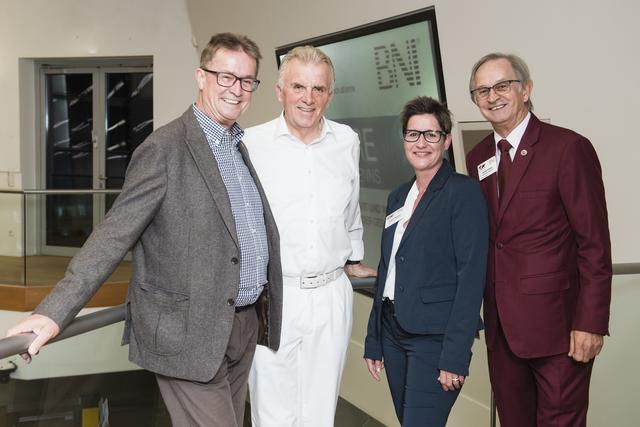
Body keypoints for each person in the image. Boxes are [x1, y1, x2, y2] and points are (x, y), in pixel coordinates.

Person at [6, 33, 283, 427]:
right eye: (225, 76)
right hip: (186, 334)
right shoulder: (164, 149)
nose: (236, 90)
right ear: (201, 77)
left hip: (240, 325)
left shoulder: (237, 145)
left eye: (246, 81)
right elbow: (112, 235)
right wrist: (54, 313)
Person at [465, 53, 612, 427]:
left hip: (559, 331)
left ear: (526, 90)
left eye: (502, 85)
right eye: (482, 90)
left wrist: (591, 322)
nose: (492, 96)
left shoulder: (567, 148)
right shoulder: (477, 156)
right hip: (502, 331)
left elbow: (594, 243)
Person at [242, 45, 376, 427]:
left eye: (319, 89)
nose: (308, 98)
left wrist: (352, 258)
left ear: (330, 95)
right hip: (274, 294)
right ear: (280, 91)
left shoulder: (346, 141)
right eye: (298, 86)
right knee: (273, 411)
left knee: (320, 413)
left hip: (331, 294)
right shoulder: (251, 143)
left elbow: (350, 210)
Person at [363, 96, 489, 426]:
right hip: (392, 331)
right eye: (413, 134)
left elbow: (471, 278)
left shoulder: (463, 193)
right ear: (403, 139)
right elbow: (388, 267)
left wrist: (455, 355)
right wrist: (374, 340)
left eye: (431, 134)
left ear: (446, 140)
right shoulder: (398, 196)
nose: (421, 143)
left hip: (434, 340)